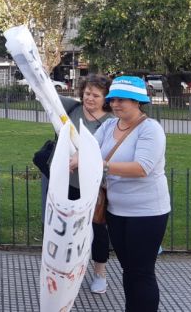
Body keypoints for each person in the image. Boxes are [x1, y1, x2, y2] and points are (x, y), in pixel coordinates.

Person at [85, 76, 170, 311]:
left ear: (137, 102)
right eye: (113, 99)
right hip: (116, 211)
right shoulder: (110, 125)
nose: (115, 104)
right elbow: (89, 150)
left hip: (147, 213)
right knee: (128, 269)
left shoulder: (150, 129)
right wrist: (73, 158)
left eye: (122, 100)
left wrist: (102, 165)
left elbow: (142, 168)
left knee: (141, 271)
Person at [56, 75, 114, 294]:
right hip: (69, 181)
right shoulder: (74, 109)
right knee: (69, 228)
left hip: (94, 185)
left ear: (105, 98)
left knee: (97, 229)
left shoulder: (110, 121)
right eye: (87, 93)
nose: (90, 98)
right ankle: (69, 270)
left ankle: (100, 273)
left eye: (96, 95)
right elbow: (48, 96)